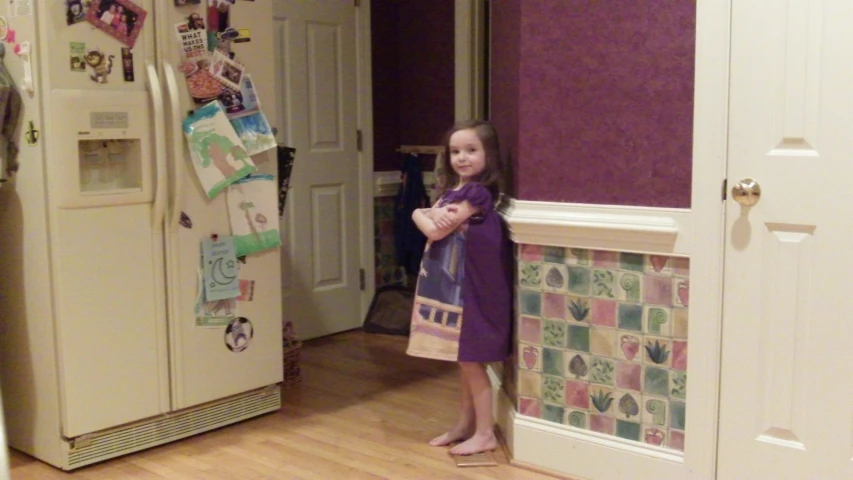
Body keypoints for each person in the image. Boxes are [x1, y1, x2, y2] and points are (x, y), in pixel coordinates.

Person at [407, 119, 512, 456]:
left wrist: (416, 214)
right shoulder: (453, 192)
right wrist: (422, 214)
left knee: (471, 360)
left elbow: (436, 230)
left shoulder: (476, 193)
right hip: (456, 288)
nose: (462, 157)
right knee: (462, 358)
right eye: (455, 151)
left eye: (471, 150)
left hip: (471, 290)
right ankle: (465, 424)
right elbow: (433, 220)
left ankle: (485, 432)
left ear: (489, 155)